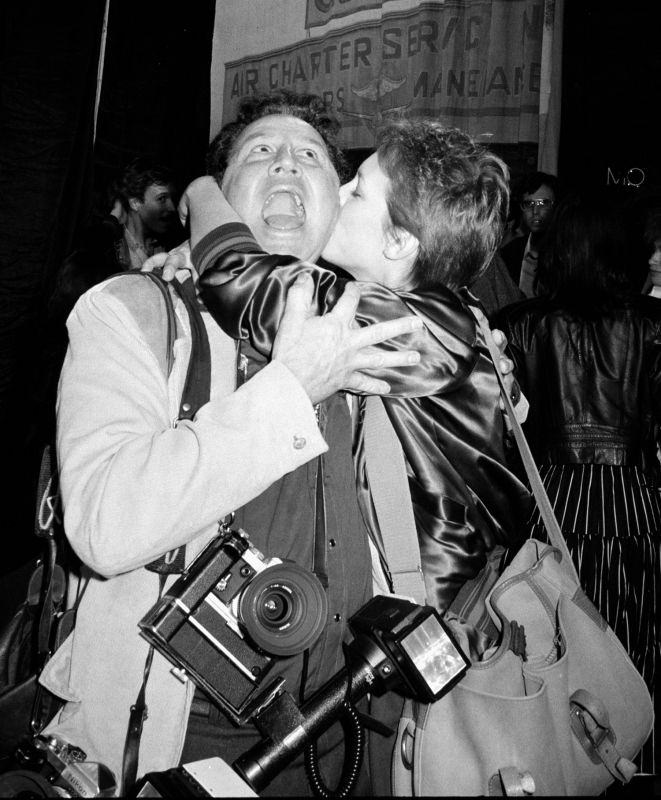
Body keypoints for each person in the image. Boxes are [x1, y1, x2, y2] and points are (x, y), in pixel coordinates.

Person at [38, 104, 423, 796]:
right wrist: (290, 388)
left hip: (354, 739)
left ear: (337, 209)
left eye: (309, 157)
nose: (285, 162)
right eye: (260, 152)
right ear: (219, 199)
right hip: (179, 748)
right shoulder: (131, 310)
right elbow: (102, 524)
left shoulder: (377, 334)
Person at [178, 102, 533, 618]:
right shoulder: (443, 312)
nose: (338, 195)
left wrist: (202, 194)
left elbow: (241, 279)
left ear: (397, 241)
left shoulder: (410, 325)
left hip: (435, 621)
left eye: (358, 191)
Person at [494, 189, 661, 775]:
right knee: (635, 655)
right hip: (637, 510)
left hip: (550, 509)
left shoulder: (517, 325)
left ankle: (556, 771)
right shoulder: (655, 328)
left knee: (549, 652)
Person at [500, 170, 558, 296]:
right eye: (529, 203)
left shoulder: (566, 256)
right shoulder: (510, 252)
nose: (535, 210)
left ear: (555, 207)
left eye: (543, 203)